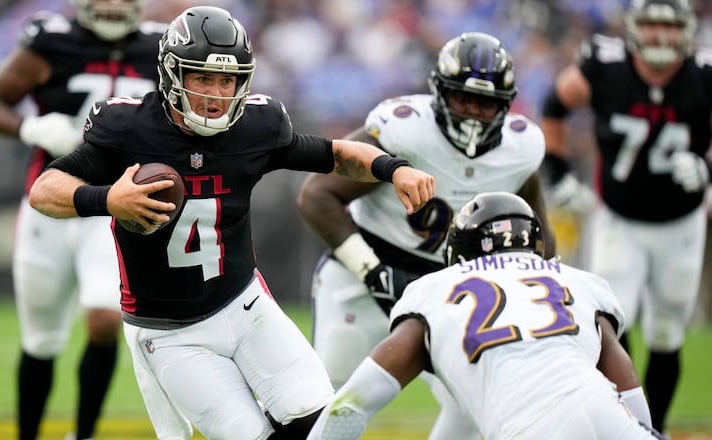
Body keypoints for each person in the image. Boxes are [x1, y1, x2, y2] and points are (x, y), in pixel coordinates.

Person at [27, 6, 435, 440]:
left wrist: (395, 168)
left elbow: (336, 153)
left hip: (246, 307)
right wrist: (107, 198)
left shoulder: (255, 127)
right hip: (170, 333)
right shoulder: (128, 128)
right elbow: (44, 190)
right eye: (203, 77)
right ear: (171, 75)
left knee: (321, 425)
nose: (217, 93)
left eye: (228, 79)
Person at [297, 32, 555, 439]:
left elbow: (538, 237)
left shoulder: (521, 148)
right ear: (439, 93)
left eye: (485, 103)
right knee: (327, 398)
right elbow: (317, 195)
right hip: (363, 272)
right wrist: (372, 270)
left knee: (477, 402)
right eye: (463, 98)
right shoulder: (403, 130)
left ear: (505, 105)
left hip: (452, 288)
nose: (473, 112)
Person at [307, 191, 663, 440]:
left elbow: (352, 405)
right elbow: (627, 384)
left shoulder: (436, 289)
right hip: (605, 411)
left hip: (526, 429)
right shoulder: (578, 282)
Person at [0, 1, 164, 439]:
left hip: (113, 207)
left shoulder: (160, 47)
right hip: (49, 206)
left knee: (105, 320)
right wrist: (29, 128)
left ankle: (84, 433)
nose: (113, 5)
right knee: (41, 341)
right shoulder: (52, 41)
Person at [539, 0, 709, 433]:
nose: (659, 36)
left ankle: (659, 427)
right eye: (651, 25)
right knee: (613, 319)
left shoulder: (703, 74)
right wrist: (557, 174)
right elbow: (555, 103)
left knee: (668, 332)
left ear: (686, 32)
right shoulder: (607, 67)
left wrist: (707, 167)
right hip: (618, 218)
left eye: (669, 28)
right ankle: (626, 426)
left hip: (682, 223)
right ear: (633, 28)